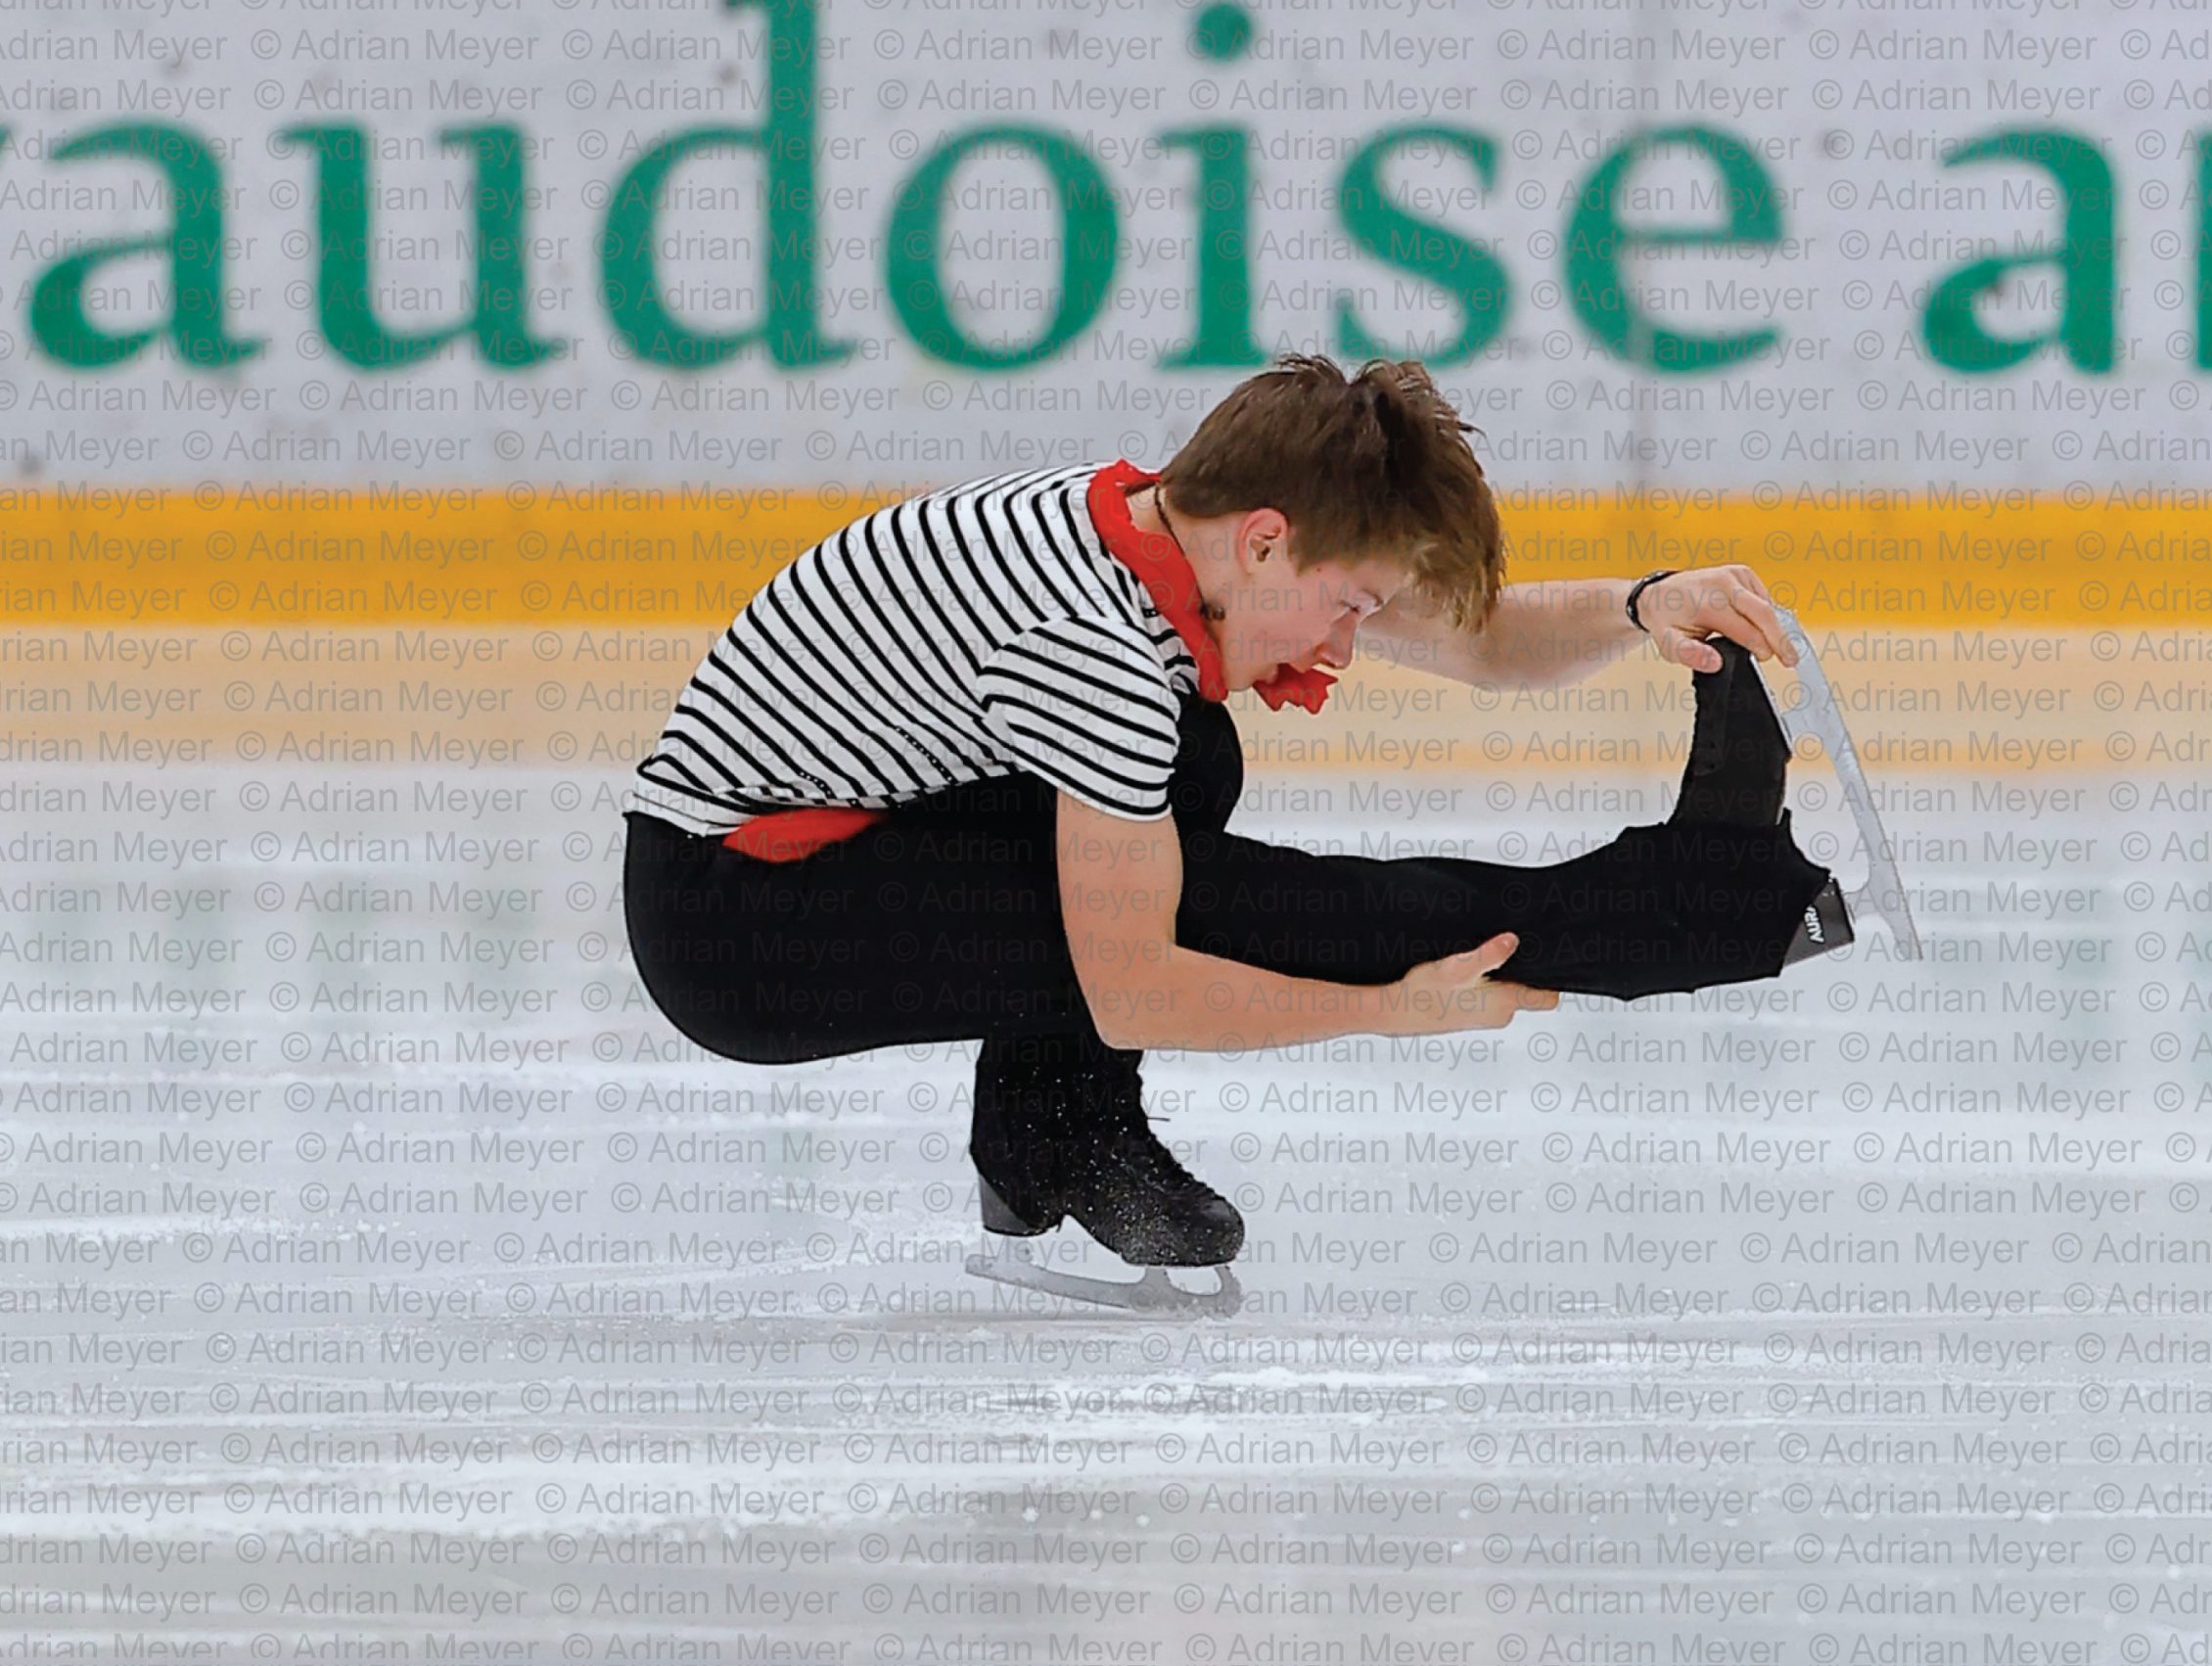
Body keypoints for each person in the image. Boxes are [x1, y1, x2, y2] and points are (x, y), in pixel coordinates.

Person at [621, 354, 1842, 1300]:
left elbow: (1476, 639)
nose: (1345, 648)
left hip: (799, 851)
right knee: (1276, 909)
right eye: (1347, 606)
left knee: (1194, 753)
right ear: (1265, 539)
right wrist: (1389, 1006)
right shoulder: (1092, 646)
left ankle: (1047, 1133)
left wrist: (1643, 603)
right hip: (742, 929)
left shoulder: (1155, 527)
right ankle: (1699, 903)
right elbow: (1139, 988)